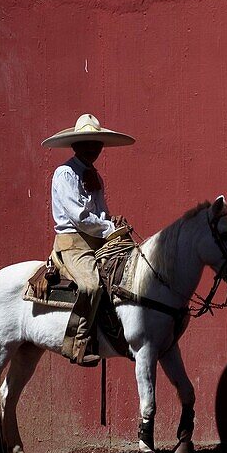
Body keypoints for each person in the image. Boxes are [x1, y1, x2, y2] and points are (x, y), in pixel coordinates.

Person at [41, 113, 135, 366]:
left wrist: (112, 222)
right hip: (72, 243)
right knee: (91, 285)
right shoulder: (65, 174)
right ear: (75, 146)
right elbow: (80, 217)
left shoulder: (94, 176)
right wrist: (107, 227)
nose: (95, 149)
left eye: (97, 144)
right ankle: (77, 343)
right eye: (88, 143)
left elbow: (100, 211)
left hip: (96, 240)